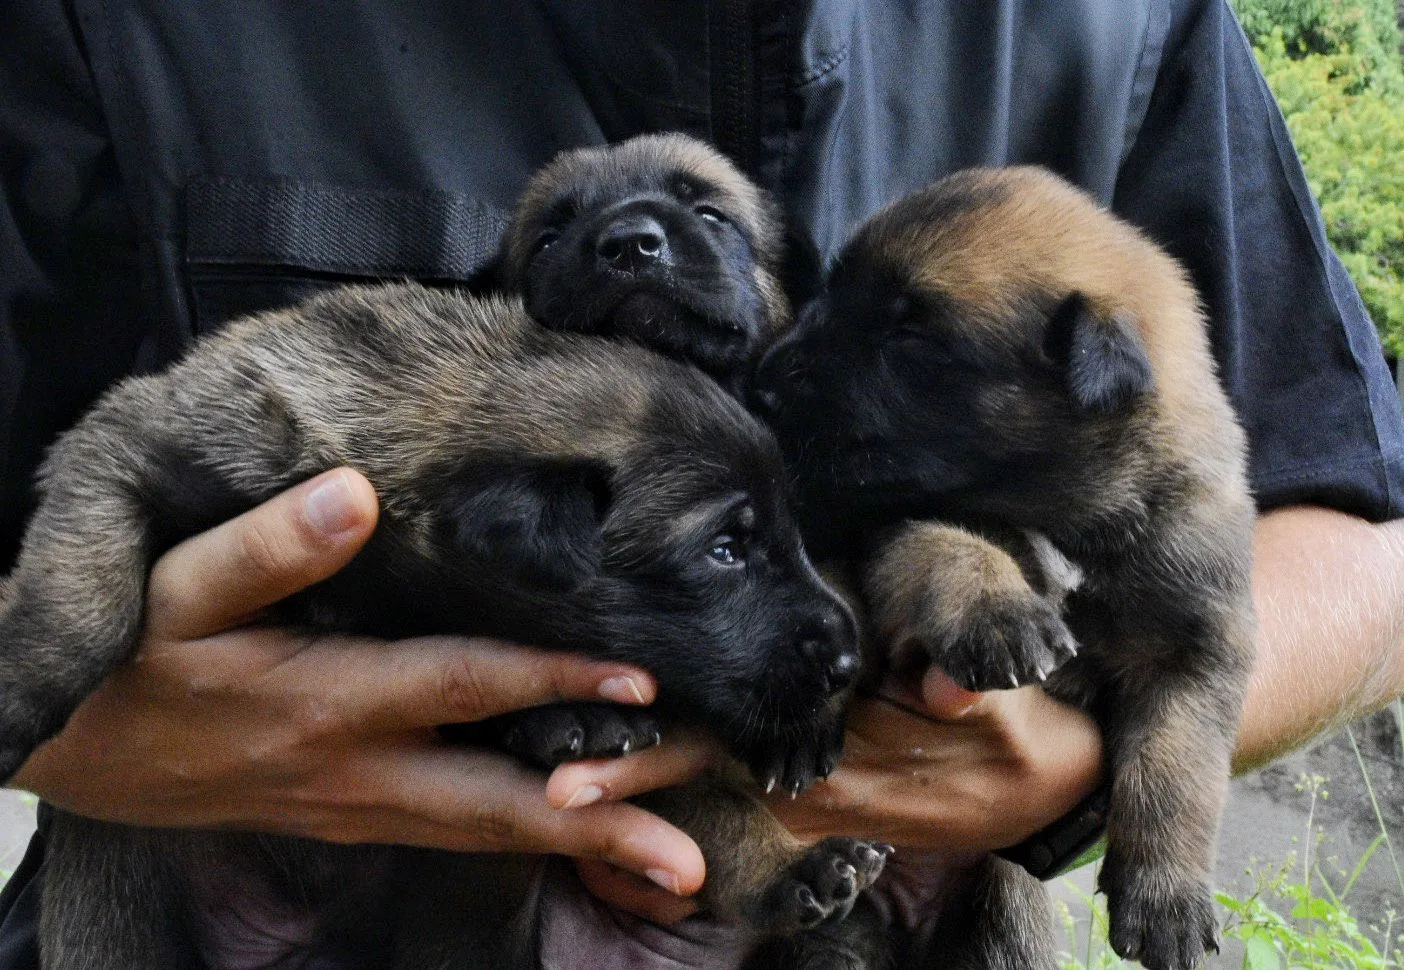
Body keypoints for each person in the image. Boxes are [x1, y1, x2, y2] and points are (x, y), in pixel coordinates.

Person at [3, 0, 1403, 966]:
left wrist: (1068, 767)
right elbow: (119, 470)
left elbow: (1362, 539)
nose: (634, 252)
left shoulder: (1128, 24)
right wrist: (80, 725)